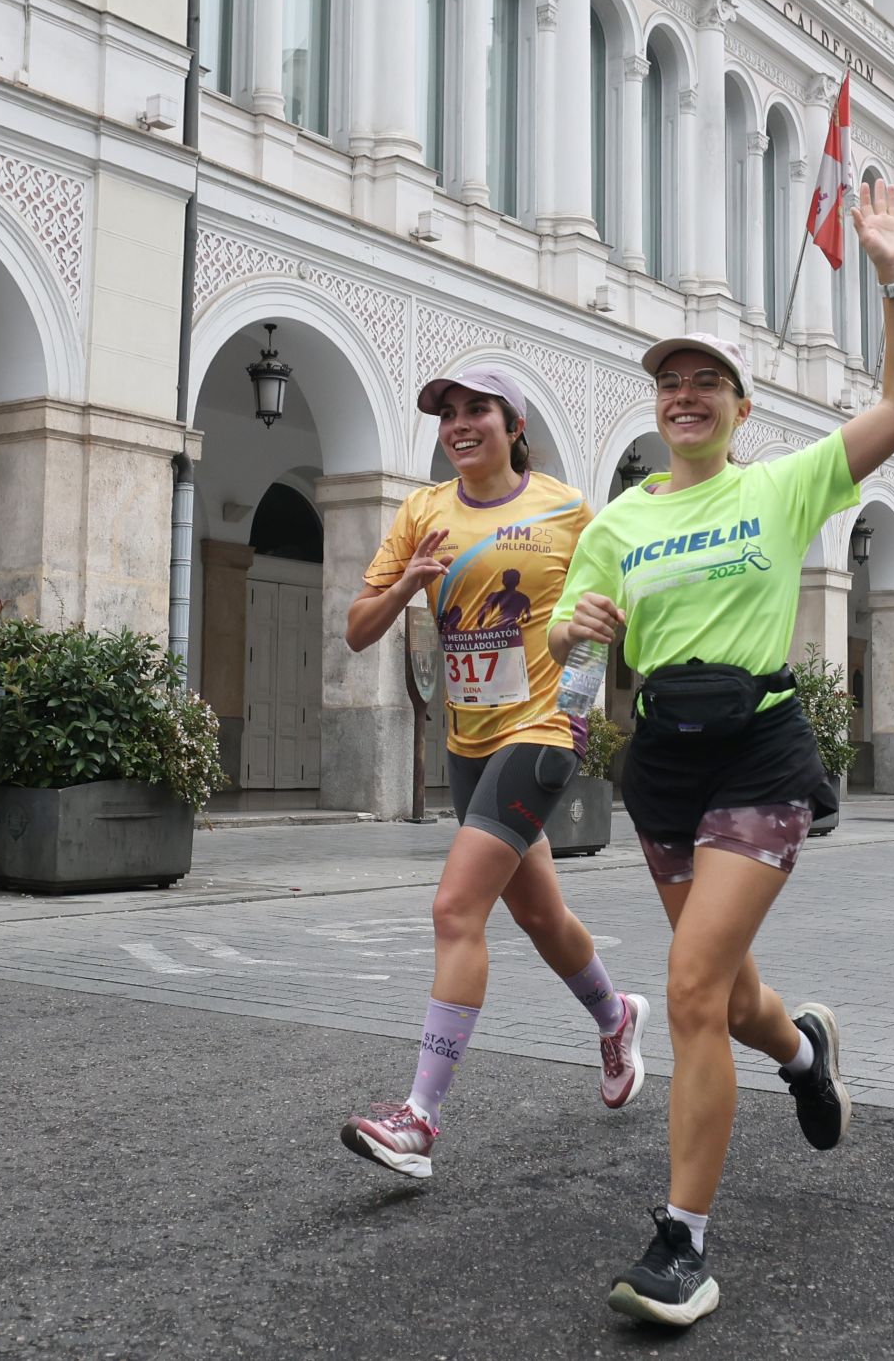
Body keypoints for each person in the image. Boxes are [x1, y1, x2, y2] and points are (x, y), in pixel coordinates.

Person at [548, 180, 894, 1328]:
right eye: (670, 383)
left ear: (740, 405)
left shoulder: (781, 485)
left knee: (688, 988)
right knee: (726, 989)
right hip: (661, 758)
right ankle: (804, 1052)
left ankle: (684, 1245)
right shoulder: (617, 521)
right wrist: (576, 629)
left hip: (762, 751)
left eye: (705, 380)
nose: (685, 396)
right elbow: (565, 631)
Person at [339, 367, 647, 1180]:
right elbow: (357, 630)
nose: (458, 424)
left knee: (455, 906)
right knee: (542, 917)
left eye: (477, 409)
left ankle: (419, 1118)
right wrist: (406, 584)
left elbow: (616, 613)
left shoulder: (564, 509)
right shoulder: (422, 511)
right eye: (447, 412)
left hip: (542, 731)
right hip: (468, 740)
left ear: (513, 424)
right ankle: (616, 1018)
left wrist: (580, 707)